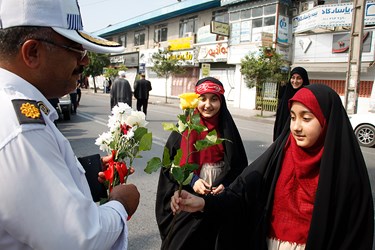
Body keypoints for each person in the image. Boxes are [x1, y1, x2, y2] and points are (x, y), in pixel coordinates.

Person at [0, 0, 140, 249]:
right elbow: (77, 239)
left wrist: (86, 173)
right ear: (32, 52)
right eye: (76, 49)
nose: (84, 62)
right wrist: (120, 204)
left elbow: (29, 198)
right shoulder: (21, 126)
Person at [171, 84, 374, 249]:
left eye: (306, 118)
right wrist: (204, 203)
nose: (296, 127)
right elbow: (242, 191)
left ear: (327, 121)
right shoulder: (280, 155)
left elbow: (353, 236)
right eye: (293, 117)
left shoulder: (347, 174)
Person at [156, 77, 249, 249]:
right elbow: (169, 166)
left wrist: (226, 185)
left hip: (217, 200)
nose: (208, 105)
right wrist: (192, 180)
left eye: (214, 99)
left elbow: (238, 167)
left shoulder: (227, 129)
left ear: (222, 101)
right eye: (202, 98)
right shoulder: (186, 127)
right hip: (187, 196)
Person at [273, 66, 310, 141]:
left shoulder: (307, 95)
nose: (295, 81)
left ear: (304, 79)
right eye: (293, 77)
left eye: (299, 78)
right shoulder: (286, 93)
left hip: (297, 134)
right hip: (282, 134)